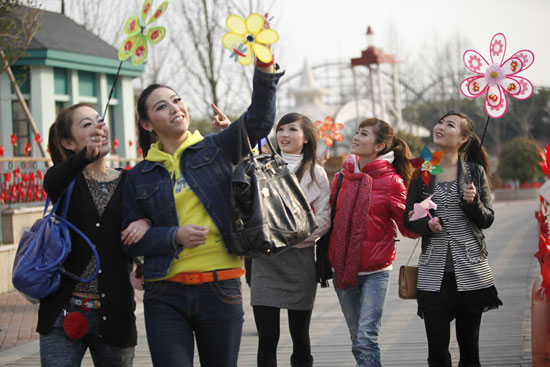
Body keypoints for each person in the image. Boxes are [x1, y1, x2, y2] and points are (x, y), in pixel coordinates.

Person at [120, 53, 283, 366]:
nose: (174, 108)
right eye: (161, 106)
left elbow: (260, 121)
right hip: (164, 294)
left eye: (176, 100)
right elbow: (130, 239)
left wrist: (264, 68)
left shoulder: (217, 147)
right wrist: (173, 235)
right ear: (146, 123)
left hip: (220, 289)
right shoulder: (138, 175)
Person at [39, 103, 150, 366]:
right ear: (68, 142)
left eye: (99, 121)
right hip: (62, 313)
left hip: (115, 314)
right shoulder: (65, 182)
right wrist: (83, 158)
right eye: (86, 124)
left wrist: (145, 222)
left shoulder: (129, 182)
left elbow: (152, 213)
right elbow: (51, 180)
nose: (97, 127)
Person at [403, 112, 502, 367]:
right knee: (437, 352)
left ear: (463, 139)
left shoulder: (475, 173)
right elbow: (408, 219)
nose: (440, 127)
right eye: (439, 122)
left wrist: (473, 202)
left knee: (470, 350)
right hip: (433, 273)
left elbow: (487, 220)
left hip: (470, 268)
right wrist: (428, 224)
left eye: (450, 125)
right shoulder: (423, 172)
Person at [329, 118, 419, 367]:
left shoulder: (392, 181)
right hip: (342, 268)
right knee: (356, 338)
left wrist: (422, 215)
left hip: (376, 271)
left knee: (366, 338)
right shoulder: (341, 178)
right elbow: (329, 220)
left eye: (364, 134)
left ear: (379, 146)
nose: (356, 137)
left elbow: (407, 229)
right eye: (357, 132)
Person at [250, 113, 331, 367]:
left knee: (300, 336)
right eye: (281, 129)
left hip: (301, 261)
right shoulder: (261, 166)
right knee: (268, 337)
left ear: (306, 137)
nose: (284, 135)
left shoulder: (318, 174)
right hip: (265, 259)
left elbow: (325, 219)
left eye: (292, 129)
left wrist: (288, 237)